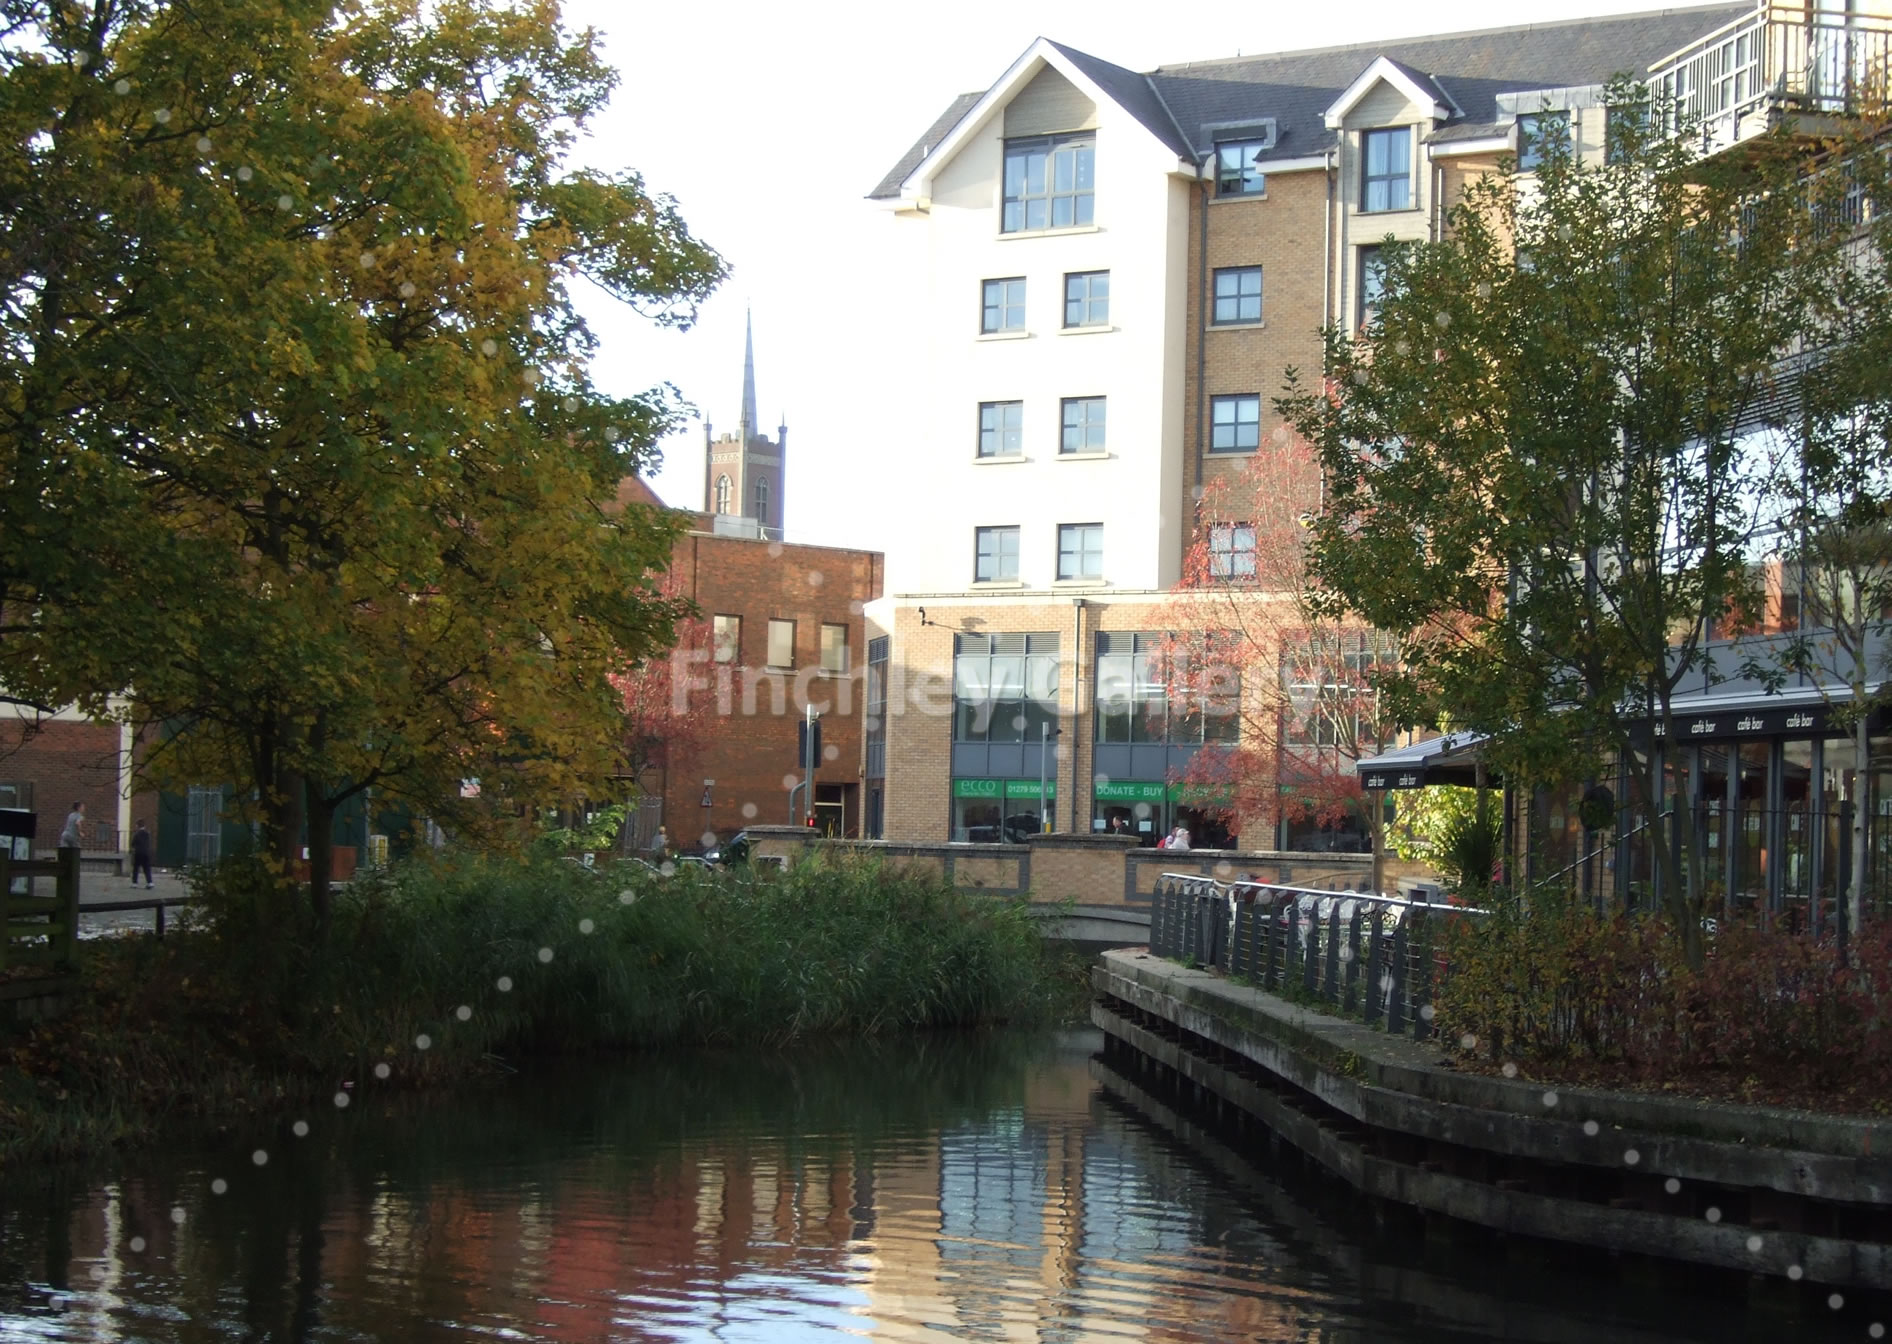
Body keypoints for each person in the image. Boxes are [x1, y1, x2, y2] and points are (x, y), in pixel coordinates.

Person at [131, 820, 154, 889]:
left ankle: (135, 883)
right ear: (144, 826)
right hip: (146, 853)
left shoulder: (136, 834)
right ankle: (150, 882)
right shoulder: (147, 834)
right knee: (147, 868)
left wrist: (134, 847)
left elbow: (133, 844)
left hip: (138, 853)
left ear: (137, 825)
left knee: (136, 868)